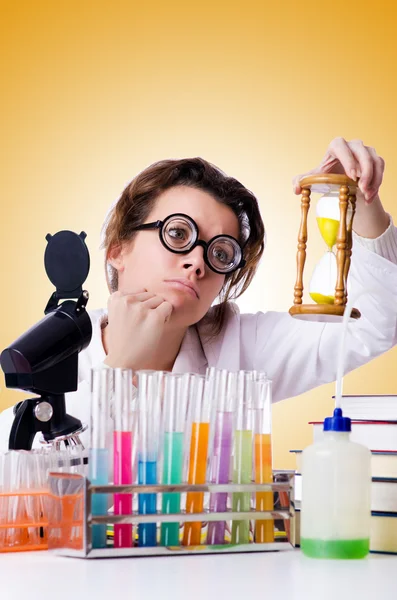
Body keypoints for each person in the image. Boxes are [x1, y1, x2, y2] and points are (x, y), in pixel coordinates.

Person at [1, 137, 397, 450]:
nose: (197, 263)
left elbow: (374, 324)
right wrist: (124, 370)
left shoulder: (237, 346)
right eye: (177, 233)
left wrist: (361, 200)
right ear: (118, 250)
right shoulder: (64, 345)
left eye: (221, 253)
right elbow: (16, 471)